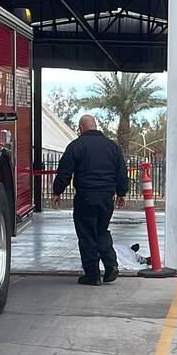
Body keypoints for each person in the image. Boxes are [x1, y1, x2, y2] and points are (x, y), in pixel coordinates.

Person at [52, 115, 128, 286]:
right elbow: (121, 172)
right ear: (95, 126)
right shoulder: (112, 147)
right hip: (106, 198)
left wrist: (57, 191)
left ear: (81, 127)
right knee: (101, 230)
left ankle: (92, 275)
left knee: (86, 234)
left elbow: (65, 171)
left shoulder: (76, 146)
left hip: (86, 196)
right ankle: (111, 265)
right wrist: (122, 193)